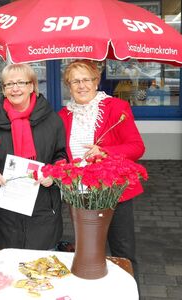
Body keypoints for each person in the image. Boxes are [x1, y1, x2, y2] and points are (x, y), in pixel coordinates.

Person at [58, 59, 145, 285]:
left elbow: (137, 147)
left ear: (96, 81)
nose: (81, 85)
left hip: (113, 191)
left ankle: (128, 291)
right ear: (68, 85)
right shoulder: (63, 115)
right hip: (80, 193)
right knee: (88, 249)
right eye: (75, 81)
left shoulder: (116, 107)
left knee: (122, 249)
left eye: (86, 79)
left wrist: (105, 151)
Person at [0, 63, 67, 250]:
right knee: (7, 272)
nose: (15, 88)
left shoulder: (52, 120)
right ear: (3, 89)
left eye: (21, 82)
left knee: (42, 270)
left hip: (42, 205)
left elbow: (61, 154)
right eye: (9, 84)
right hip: (4, 209)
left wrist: (53, 174)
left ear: (32, 86)